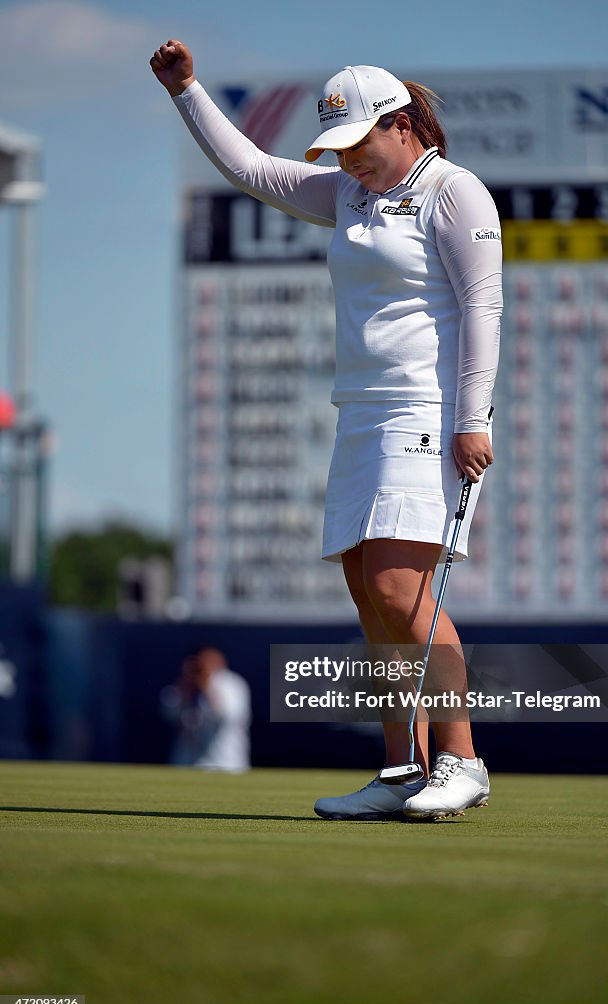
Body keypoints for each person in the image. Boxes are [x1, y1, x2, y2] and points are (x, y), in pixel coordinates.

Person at [151, 42, 502, 820]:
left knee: (397, 588)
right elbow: (252, 168)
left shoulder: (454, 191)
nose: (347, 161)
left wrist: (472, 420)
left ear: (402, 126)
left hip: (428, 411)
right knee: (369, 600)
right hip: (362, 411)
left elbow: (483, 309)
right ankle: (401, 770)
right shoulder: (349, 193)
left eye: (357, 144)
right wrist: (187, 92)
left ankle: (462, 760)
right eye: (337, 150)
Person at [161, 648, 251, 772]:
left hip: (225, 762)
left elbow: (227, 716)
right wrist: (185, 688)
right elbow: (169, 714)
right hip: (188, 762)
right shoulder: (185, 683)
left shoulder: (230, 683)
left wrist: (206, 687)